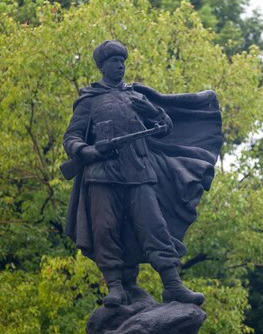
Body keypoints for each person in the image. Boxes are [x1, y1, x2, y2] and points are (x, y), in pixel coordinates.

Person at [63, 40, 222, 307]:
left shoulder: (136, 96)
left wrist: (157, 116)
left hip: (138, 171)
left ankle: (173, 284)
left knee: (154, 227)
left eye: (122, 61)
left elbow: (164, 125)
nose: (120, 66)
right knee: (105, 229)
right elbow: (72, 137)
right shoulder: (90, 100)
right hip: (101, 174)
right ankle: (116, 287)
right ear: (102, 65)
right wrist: (86, 151)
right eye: (115, 61)